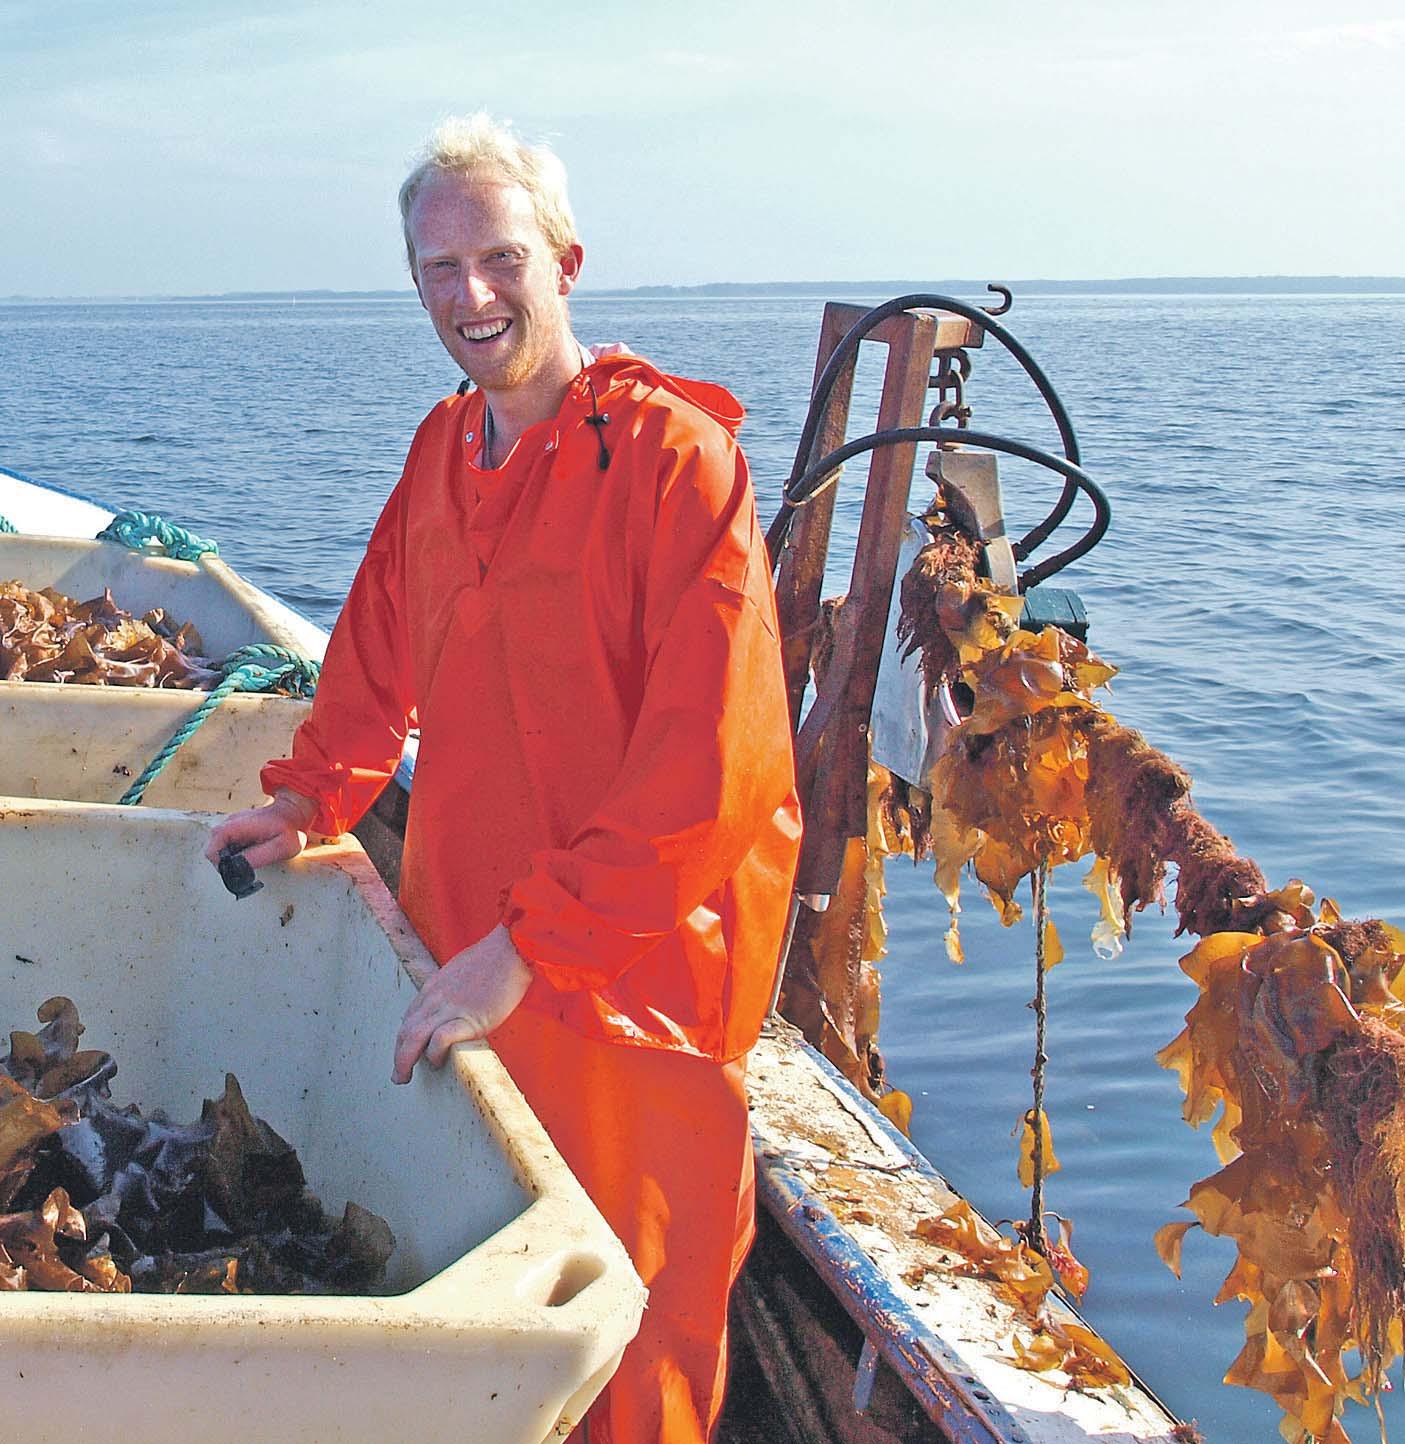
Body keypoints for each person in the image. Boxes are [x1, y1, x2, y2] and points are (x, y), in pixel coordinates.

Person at [206, 112, 801, 1444]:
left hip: (633, 984)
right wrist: (307, 800)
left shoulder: (677, 463)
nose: (470, 293)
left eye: (500, 258)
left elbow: (718, 764)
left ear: (564, 263)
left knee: (631, 1329)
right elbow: (376, 647)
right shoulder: (443, 447)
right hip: (467, 949)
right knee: (490, 1309)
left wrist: (534, 947)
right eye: (439, 268)